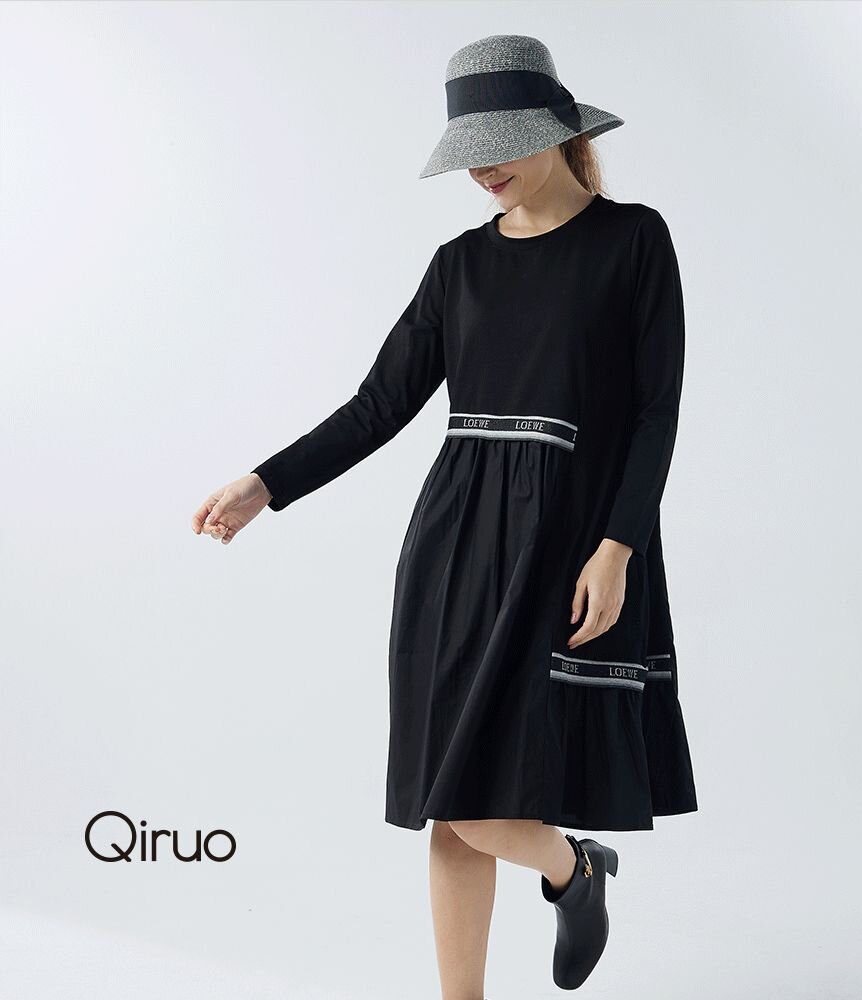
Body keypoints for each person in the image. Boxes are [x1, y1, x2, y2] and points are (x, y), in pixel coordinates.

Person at [191, 33, 697, 999]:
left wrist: (618, 546)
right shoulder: (458, 265)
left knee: (478, 799)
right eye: (469, 151)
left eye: (497, 144)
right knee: (450, 801)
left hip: (567, 543)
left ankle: (574, 867)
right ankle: (524, 927)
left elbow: (654, 413)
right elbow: (379, 406)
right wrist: (264, 484)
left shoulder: (633, 240)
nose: (482, 169)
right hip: (456, 545)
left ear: (553, 128)